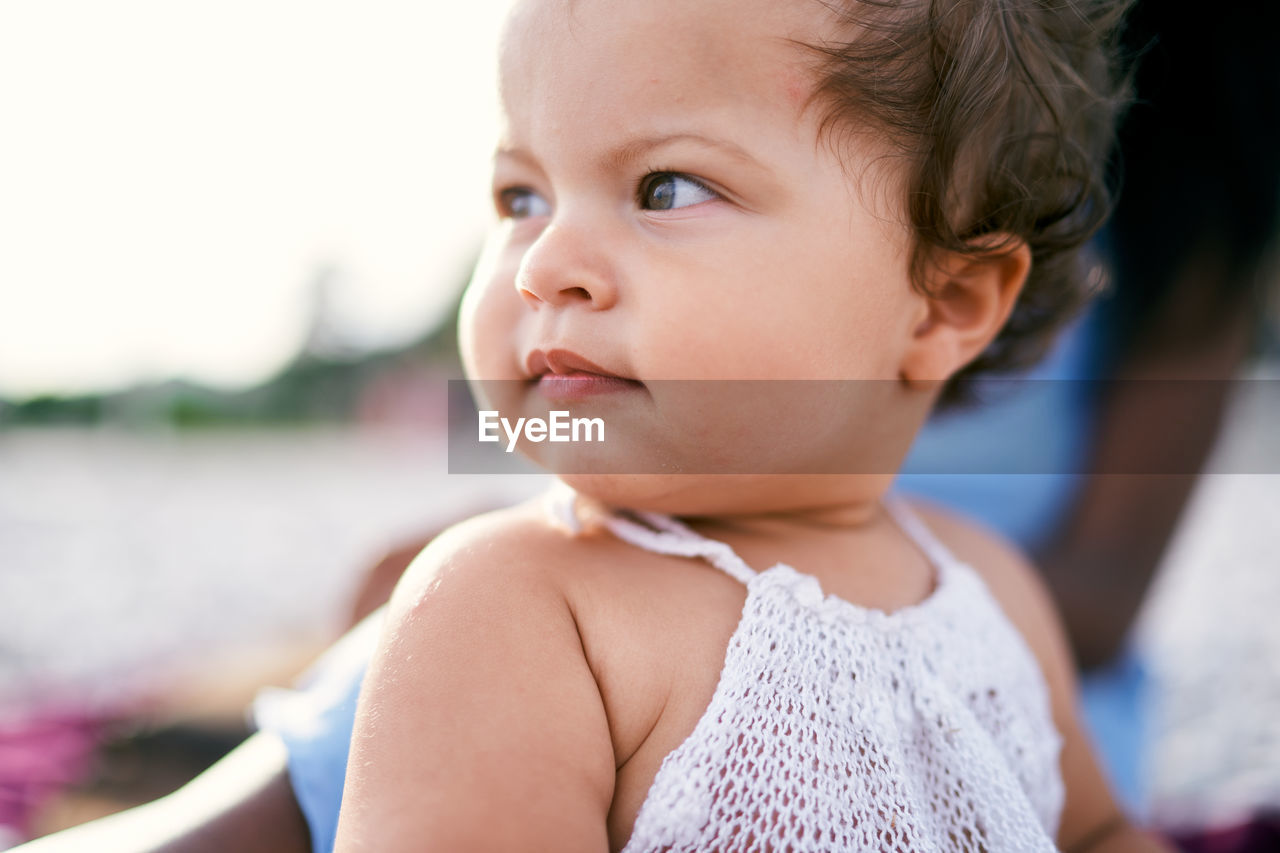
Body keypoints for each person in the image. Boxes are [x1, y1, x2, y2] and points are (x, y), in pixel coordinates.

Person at [17, 0, 1176, 850]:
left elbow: (1086, 834)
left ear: (944, 302)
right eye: (519, 195)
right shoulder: (516, 604)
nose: (546, 264)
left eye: (665, 188)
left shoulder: (979, 585)